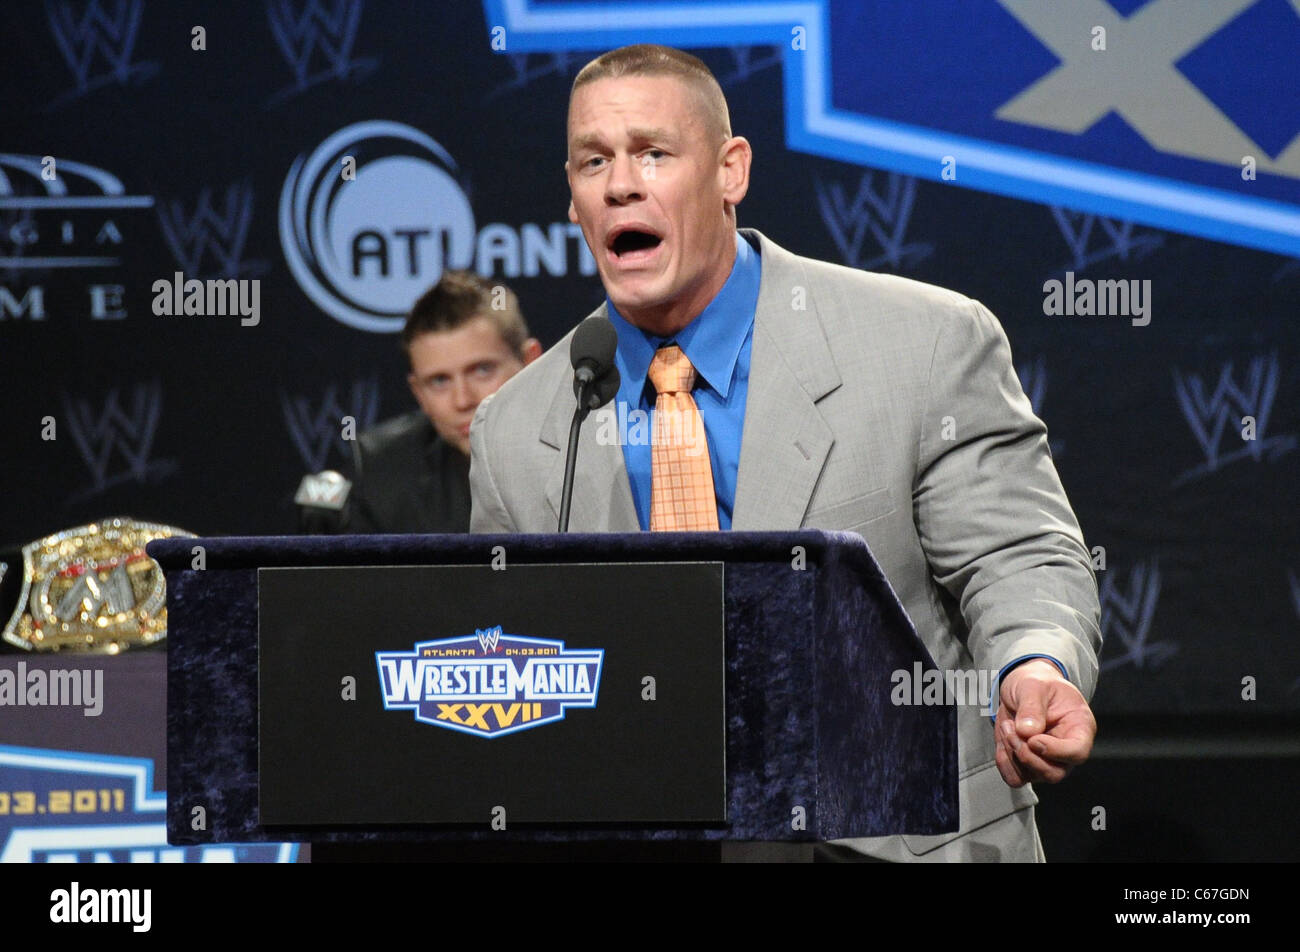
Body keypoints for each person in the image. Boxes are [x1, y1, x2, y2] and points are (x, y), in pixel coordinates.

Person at [468, 44, 1101, 861]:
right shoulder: (518, 430)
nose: (621, 183)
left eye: (653, 153)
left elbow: (1015, 554)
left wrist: (1034, 663)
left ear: (731, 171)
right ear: (574, 196)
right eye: (595, 161)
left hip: (897, 841)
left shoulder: (923, 343)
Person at [305, 271, 540, 534]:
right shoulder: (383, 470)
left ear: (530, 362)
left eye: (482, 370)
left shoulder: (587, 445)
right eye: (439, 381)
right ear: (419, 394)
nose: (462, 400)